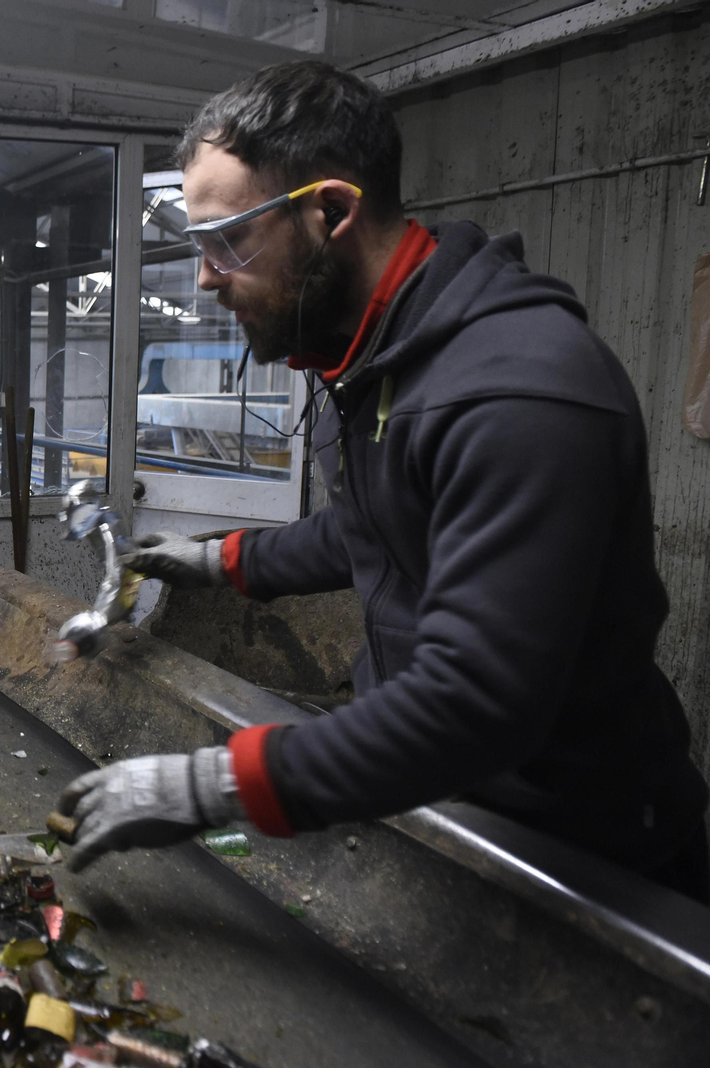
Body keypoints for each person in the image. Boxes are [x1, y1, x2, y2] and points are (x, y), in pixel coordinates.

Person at [59, 61, 710, 904]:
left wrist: (205, 788)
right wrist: (218, 560)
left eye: (229, 240)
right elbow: (377, 526)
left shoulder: (517, 391)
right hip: (448, 804)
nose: (207, 278)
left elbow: (472, 704)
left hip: (586, 855)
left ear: (331, 212)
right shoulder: (368, 357)